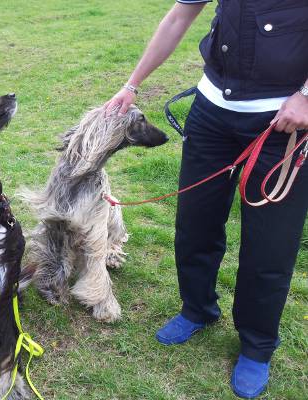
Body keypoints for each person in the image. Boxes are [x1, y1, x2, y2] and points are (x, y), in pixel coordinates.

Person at [104, 1, 308, 398]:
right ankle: (197, 308)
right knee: (194, 223)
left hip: (282, 124)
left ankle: (257, 344)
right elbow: (180, 15)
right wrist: (132, 84)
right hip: (212, 114)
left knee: (270, 246)